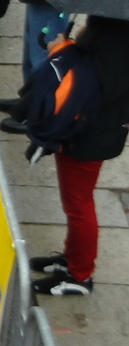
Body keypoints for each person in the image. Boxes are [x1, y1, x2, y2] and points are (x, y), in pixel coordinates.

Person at [26, 17, 129, 296]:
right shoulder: (111, 19)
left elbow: (98, 82)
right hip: (86, 127)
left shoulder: (118, 33)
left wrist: (62, 50)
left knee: (78, 203)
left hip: (92, 130)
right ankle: (72, 259)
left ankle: (81, 275)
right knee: (74, 200)